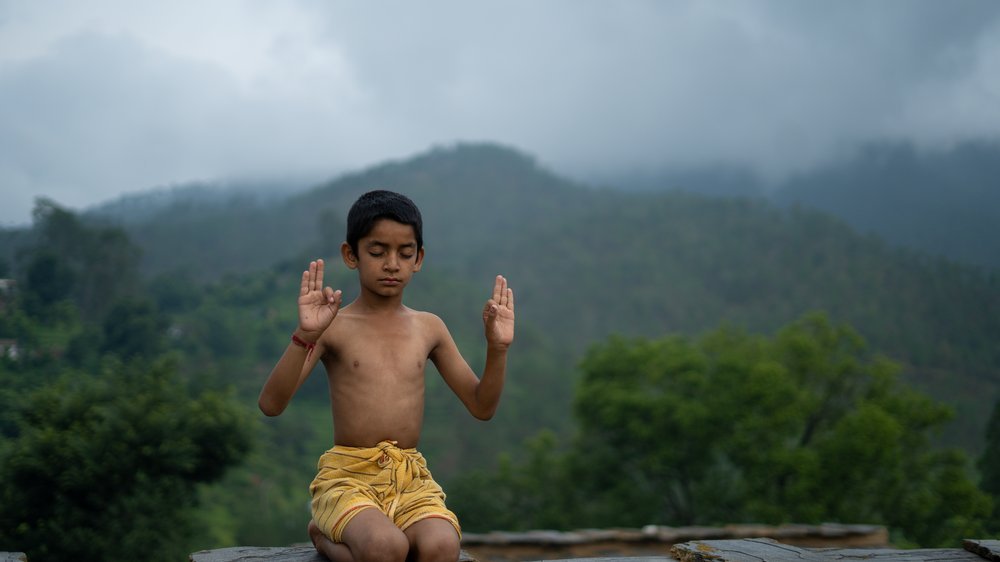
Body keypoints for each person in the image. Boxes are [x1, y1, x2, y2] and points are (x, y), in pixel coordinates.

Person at [258, 190, 514, 562]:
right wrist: (306, 336)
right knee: (385, 548)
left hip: (410, 479)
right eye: (377, 252)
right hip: (349, 477)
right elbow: (271, 404)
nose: (392, 264)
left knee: (443, 547)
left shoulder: (430, 328)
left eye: (404, 253)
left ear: (419, 259)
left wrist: (498, 349)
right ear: (352, 255)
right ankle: (324, 536)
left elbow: (482, 406)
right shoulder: (335, 327)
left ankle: (350, 539)